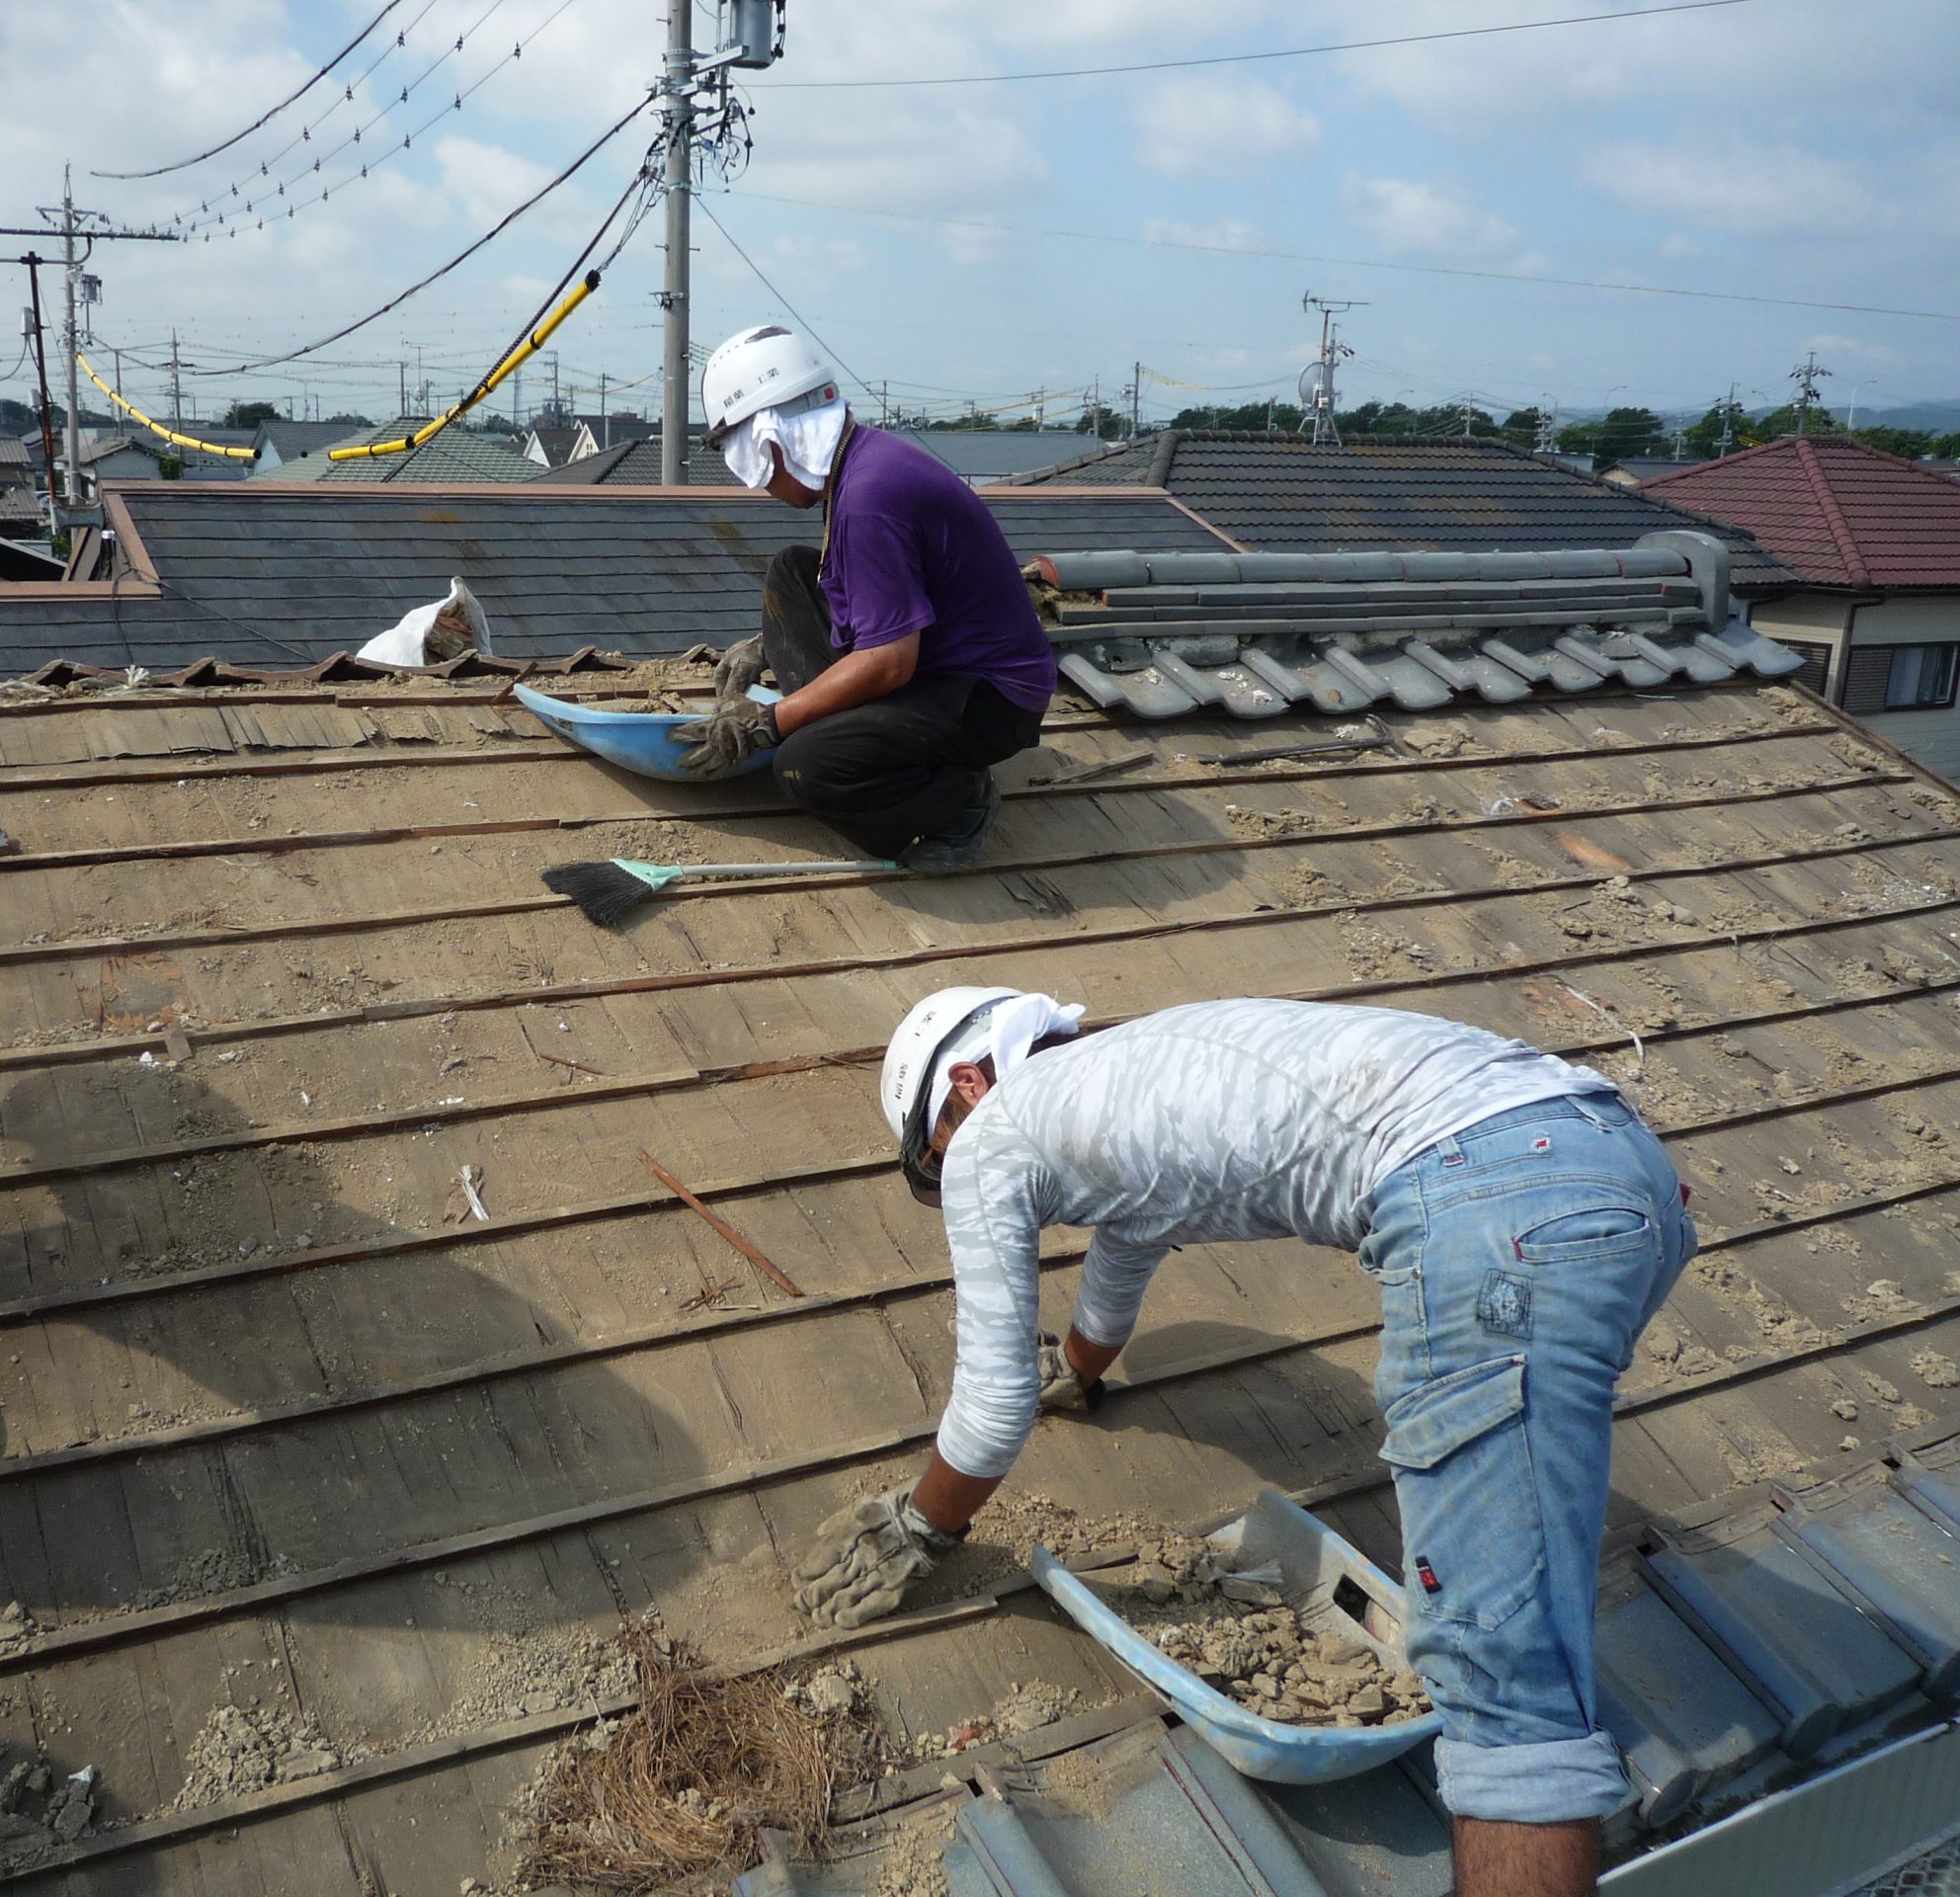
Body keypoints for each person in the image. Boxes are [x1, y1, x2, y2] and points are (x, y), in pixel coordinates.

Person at [795, 988, 1696, 1897]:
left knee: (1506, 1696)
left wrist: (920, 1528)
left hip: (1494, 1202)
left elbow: (990, 1411)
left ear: (967, 1080)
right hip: (1616, 1160)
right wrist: (1074, 1369)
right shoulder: (1134, 1082)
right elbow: (1116, 1273)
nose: (954, 1173)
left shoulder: (997, 1133)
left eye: (939, 1153)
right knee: (1529, 1566)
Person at [671, 324, 1057, 872]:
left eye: (755, 466)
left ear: (772, 439)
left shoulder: (871, 495)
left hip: (990, 697)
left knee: (807, 768)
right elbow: (870, 597)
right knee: (791, 574)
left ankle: (958, 801)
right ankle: (857, 733)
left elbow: (890, 663)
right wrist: (768, 644)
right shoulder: (860, 463)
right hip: (936, 657)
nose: (760, 486)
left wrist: (769, 723)